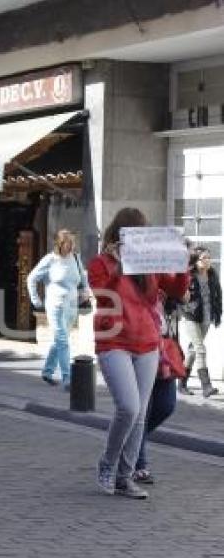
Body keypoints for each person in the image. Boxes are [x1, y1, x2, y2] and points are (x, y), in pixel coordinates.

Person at [88, 207, 189, 500]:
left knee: (141, 413)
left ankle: (125, 476)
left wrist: (182, 261)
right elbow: (101, 292)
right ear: (120, 235)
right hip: (113, 342)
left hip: (146, 343)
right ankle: (107, 464)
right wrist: (118, 264)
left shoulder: (149, 265)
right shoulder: (101, 263)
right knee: (129, 407)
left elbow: (177, 289)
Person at [26, 229, 91, 389]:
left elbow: (82, 277)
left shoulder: (75, 258)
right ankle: (67, 377)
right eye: (69, 243)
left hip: (71, 306)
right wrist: (35, 299)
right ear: (60, 244)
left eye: (73, 242)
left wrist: (85, 292)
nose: (72, 246)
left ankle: (47, 371)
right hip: (55, 305)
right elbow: (31, 278)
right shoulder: (50, 260)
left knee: (59, 340)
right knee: (62, 340)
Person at [134, 294, 184, 484]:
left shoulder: (166, 288)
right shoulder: (136, 280)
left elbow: (182, 294)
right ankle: (139, 464)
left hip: (163, 350)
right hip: (140, 346)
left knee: (166, 405)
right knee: (142, 411)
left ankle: (131, 440)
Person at [179, 246, 221, 398]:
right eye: (204, 258)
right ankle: (206, 386)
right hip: (191, 317)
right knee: (200, 348)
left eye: (209, 257)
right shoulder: (188, 275)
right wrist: (185, 310)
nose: (208, 261)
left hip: (207, 317)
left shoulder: (212, 274)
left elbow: (218, 294)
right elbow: (180, 296)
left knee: (192, 351)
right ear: (196, 261)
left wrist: (218, 313)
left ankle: (182, 383)